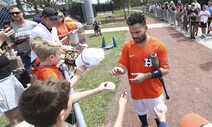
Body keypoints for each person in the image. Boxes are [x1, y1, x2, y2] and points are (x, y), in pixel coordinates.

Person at [111, 12, 170, 127]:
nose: (134, 36)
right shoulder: (128, 47)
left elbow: (165, 70)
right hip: (136, 93)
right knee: (143, 120)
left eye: (138, 32)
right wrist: (120, 70)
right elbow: (123, 66)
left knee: (159, 120)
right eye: (131, 32)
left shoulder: (159, 46)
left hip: (154, 93)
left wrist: (145, 76)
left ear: (146, 28)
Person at [16, 78, 112, 127]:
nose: (71, 97)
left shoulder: (35, 118)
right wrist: (122, 107)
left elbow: (68, 99)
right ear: (61, 115)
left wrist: (97, 90)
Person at [0, 27, 25, 126]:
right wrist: (1, 40)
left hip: (9, 79)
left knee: (22, 115)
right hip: (2, 86)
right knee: (16, 119)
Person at [7, 5, 37, 73]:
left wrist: (32, 40)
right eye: (12, 13)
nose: (14, 14)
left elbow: (41, 39)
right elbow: (9, 41)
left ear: (22, 13)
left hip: (34, 53)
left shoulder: (33, 25)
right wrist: (11, 44)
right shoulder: (10, 28)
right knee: (27, 75)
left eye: (17, 12)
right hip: (21, 56)